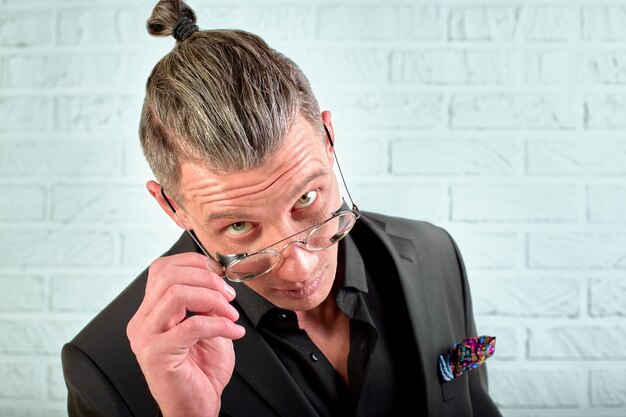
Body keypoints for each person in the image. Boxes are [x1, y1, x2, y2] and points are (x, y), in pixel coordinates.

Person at [61, 1, 503, 416]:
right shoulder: (106, 366)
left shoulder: (433, 254)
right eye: (239, 226)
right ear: (172, 206)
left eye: (306, 199)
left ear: (328, 140)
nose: (299, 267)